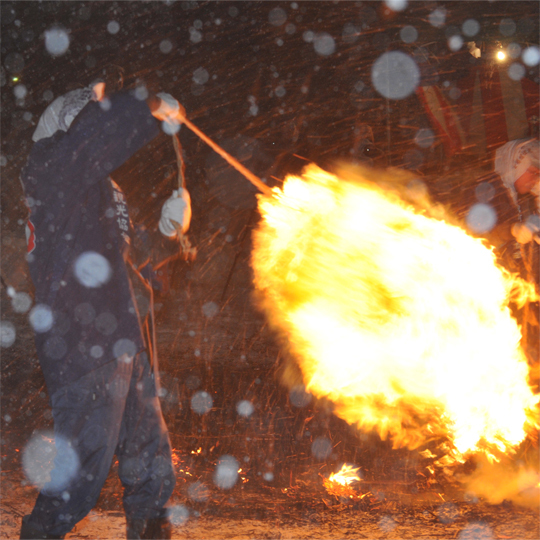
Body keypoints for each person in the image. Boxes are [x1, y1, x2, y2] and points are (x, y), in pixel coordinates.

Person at [19, 81, 191, 539]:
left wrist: (164, 239)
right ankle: (41, 532)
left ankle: (151, 531)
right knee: (81, 467)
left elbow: (118, 253)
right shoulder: (53, 166)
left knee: (150, 457)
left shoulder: (94, 183)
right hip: (83, 339)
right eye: (88, 114)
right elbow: (101, 130)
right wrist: (149, 104)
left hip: (121, 337)